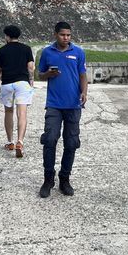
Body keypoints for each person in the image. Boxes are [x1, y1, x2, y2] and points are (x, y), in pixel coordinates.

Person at [37, 21, 87, 198]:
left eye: (68, 35)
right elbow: (40, 75)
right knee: (50, 139)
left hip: (73, 105)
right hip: (54, 104)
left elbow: (82, 75)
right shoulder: (47, 52)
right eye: (62, 35)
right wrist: (48, 74)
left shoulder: (78, 52)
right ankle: (48, 178)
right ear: (55, 34)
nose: (66, 38)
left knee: (71, 142)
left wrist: (84, 93)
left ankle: (64, 178)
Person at [0, 25, 35, 157]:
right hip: (22, 83)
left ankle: (10, 142)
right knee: (22, 114)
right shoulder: (26, 49)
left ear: (7, 36)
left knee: (8, 112)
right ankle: (20, 141)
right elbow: (31, 68)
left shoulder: (1, 50)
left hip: (7, 83)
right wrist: (31, 82)